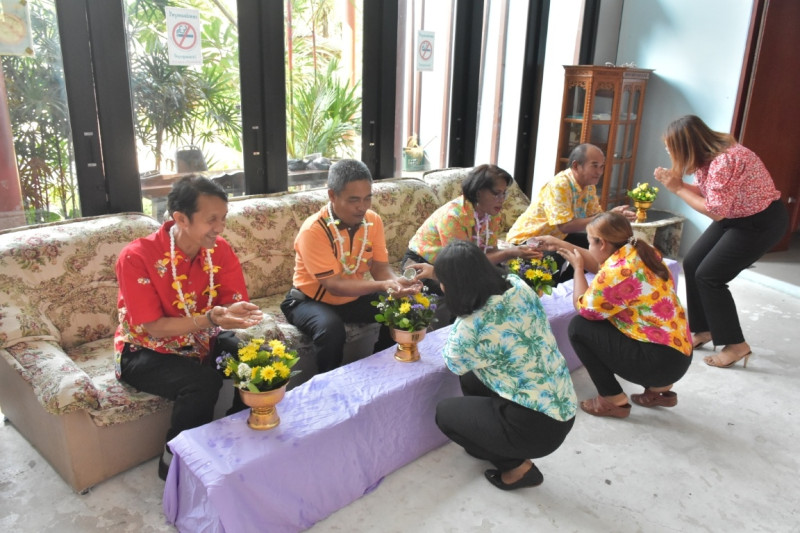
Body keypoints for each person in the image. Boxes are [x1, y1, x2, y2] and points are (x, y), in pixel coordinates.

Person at [114, 176, 264, 480]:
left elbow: (232, 301)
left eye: (223, 218)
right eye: (212, 220)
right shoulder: (137, 256)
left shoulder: (219, 249)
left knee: (255, 358)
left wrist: (236, 313)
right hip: (145, 350)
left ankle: (235, 435)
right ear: (181, 218)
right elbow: (154, 328)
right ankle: (175, 465)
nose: (220, 228)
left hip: (201, 341)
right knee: (203, 382)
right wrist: (211, 319)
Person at [433, 240, 576, 491]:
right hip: (561, 405)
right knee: (472, 376)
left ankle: (517, 469)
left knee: (445, 413)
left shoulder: (471, 327)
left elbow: (454, 361)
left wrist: (461, 316)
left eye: (443, 282)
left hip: (535, 428)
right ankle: (492, 438)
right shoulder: (517, 286)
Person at [654, 115, 788, 369]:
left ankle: (736, 346)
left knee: (709, 276)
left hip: (760, 221)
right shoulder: (707, 158)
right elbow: (708, 194)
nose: (668, 153)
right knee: (693, 263)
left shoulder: (725, 160)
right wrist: (678, 183)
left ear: (687, 146)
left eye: (670, 148)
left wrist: (677, 188)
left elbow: (715, 211)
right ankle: (704, 330)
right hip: (735, 215)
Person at [280, 159, 421, 374]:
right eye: (354, 200)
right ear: (332, 195)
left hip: (352, 298)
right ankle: (328, 385)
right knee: (331, 329)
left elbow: (380, 268)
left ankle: (383, 370)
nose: (362, 207)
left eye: (367, 198)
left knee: (401, 305)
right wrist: (384, 286)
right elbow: (334, 285)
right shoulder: (314, 230)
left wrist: (397, 284)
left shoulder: (373, 221)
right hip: (308, 301)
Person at [558, 212, 692, 418]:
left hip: (658, 363)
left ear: (602, 243)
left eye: (590, 243)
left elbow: (583, 307)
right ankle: (658, 390)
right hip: (679, 354)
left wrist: (578, 268)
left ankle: (612, 399)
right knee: (610, 319)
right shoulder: (644, 252)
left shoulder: (617, 271)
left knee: (579, 327)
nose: (589, 249)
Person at [403, 164, 540, 294]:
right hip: (424, 263)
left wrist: (513, 253)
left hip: (465, 265)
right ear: (478, 193)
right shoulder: (453, 217)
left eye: (504, 193)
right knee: (467, 291)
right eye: (497, 193)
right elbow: (462, 266)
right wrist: (510, 253)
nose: (502, 199)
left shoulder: (492, 213)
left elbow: (491, 252)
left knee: (509, 280)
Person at [506, 144, 635, 279]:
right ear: (576, 166)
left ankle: (589, 281)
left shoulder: (589, 186)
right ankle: (565, 285)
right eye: (594, 166)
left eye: (602, 166)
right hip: (530, 239)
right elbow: (565, 226)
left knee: (602, 245)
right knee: (556, 256)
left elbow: (596, 218)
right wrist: (608, 215)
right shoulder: (560, 184)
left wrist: (614, 217)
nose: (599, 172)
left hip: (556, 237)